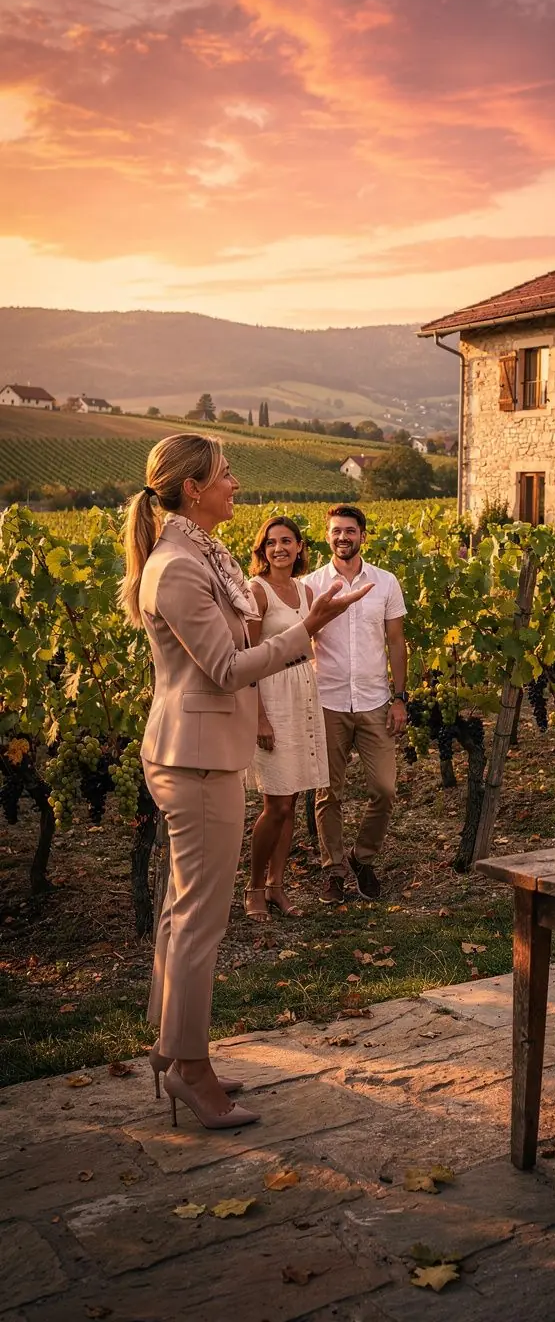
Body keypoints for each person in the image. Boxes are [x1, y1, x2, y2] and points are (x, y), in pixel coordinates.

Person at [119, 435, 371, 1131]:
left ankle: (172, 1056)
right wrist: (308, 632)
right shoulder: (176, 567)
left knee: (183, 909)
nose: (235, 483)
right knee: (201, 918)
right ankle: (190, 1070)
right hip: (195, 754)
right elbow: (226, 667)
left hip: (203, 748)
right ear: (192, 487)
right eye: (225, 474)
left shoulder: (201, 554)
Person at [308, 504, 408, 904]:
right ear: (327, 536)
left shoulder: (385, 583)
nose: (343, 537)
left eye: (350, 530)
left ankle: (362, 857)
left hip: (374, 702)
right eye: (336, 531)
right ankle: (333, 870)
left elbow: (396, 642)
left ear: (363, 535)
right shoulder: (311, 585)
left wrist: (400, 698)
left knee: (384, 789)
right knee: (328, 794)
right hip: (327, 701)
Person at [244, 515, 329, 921]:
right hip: (271, 692)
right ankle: (254, 888)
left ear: (299, 547)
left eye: (287, 541)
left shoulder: (306, 589)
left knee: (292, 800)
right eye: (271, 543)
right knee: (274, 804)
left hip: (301, 690)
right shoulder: (256, 592)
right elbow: (248, 657)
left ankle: (278, 886)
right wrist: (259, 717)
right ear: (262, 550)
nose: (279, 548)